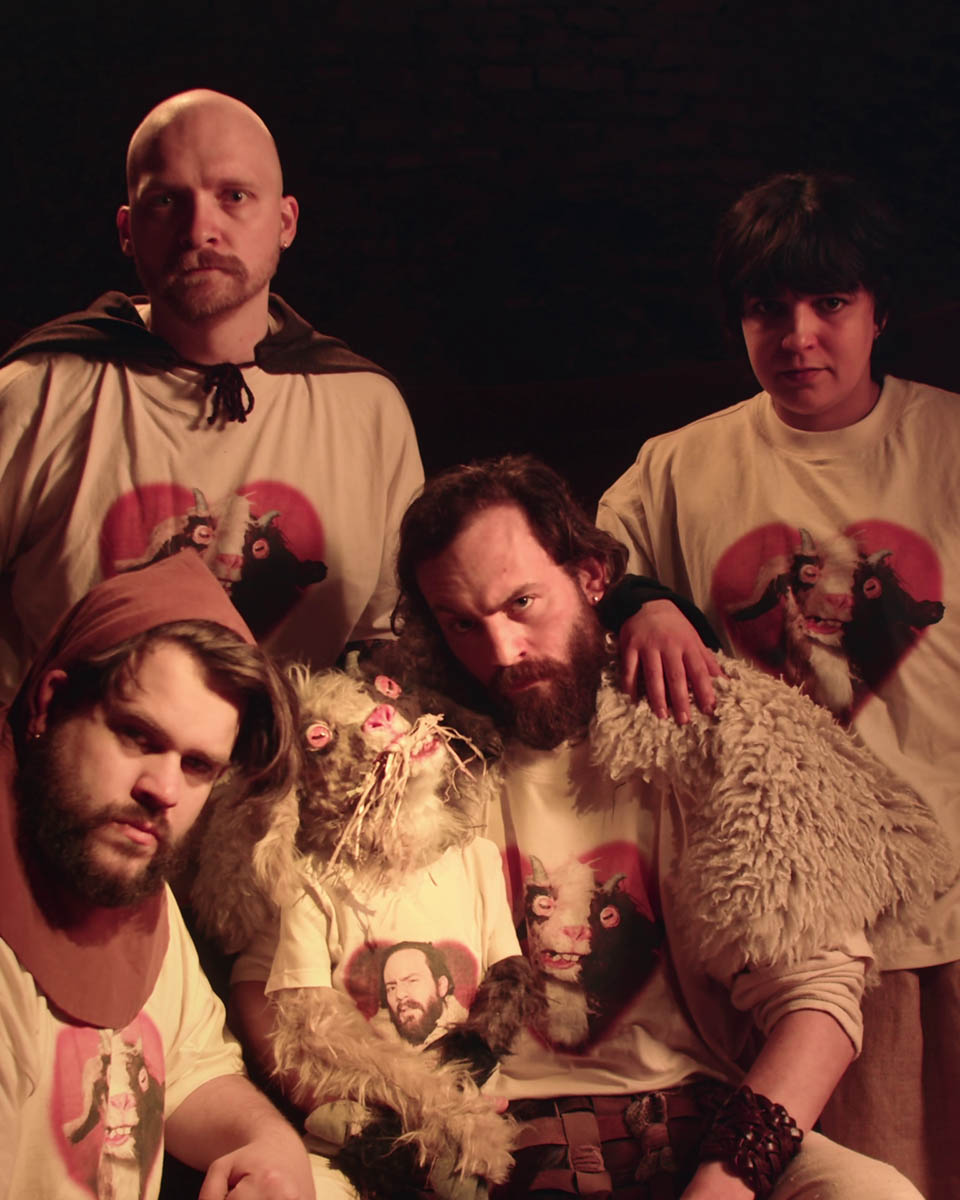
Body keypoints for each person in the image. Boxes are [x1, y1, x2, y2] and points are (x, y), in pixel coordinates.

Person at [386, 453, 953, 1199]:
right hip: (481, 1139)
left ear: (593, 577)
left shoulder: (719, 733)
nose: (502, 652)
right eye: (463, 623)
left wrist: (724, 1184)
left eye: (521, 603)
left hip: (698, 1126)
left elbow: (816, 1004)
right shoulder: (400, 753)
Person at [597, 171, 960, 1199]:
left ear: (879, 310)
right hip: (804, 928)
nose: (798, 336)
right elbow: (583, 569)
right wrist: (643, 604)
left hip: (952, 882)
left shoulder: (948, 443)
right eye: (768, 308)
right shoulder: (681, 466)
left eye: (830, 302)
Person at [0, 87, 423, 704]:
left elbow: (385, 642)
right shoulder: (37, 394)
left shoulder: (366, 410)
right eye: (166, 200)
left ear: (285, 223)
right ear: (128, 230)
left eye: (235, 196)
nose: (200, 229)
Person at [0, 549, 315, 1199]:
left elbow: (189, 1069)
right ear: (49, 705)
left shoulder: (123, 864)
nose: (164, 791)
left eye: (197, 765)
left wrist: (270, 1142)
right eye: (138, 736)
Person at [378, 941, 469, 1046]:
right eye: (392, 988)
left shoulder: (470, 1040)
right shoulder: (379, 1040)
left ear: (441, 986)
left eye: (412, 981)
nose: (399, 994)